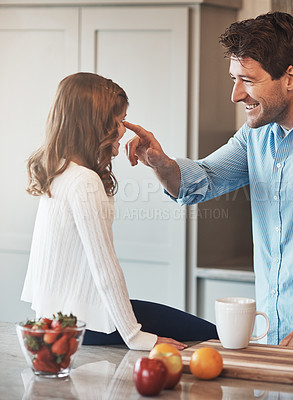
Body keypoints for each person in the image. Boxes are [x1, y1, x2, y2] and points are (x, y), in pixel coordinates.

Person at [124, 12, 293, 356]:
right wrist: (160, 163)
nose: (235, 95)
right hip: (273, 335)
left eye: (247, 80)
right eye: (234, 79)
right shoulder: (257, 134)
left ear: (290, 77)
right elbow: (201, 181)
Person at [21, 72, 218, 351]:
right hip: (83, 325)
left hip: (58, 320)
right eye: (118, 121)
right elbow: (104, 267)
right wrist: (136, 336)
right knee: (214, 334)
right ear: (95, 124)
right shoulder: (84, 181)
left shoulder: (61, 172)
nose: (124, 130)